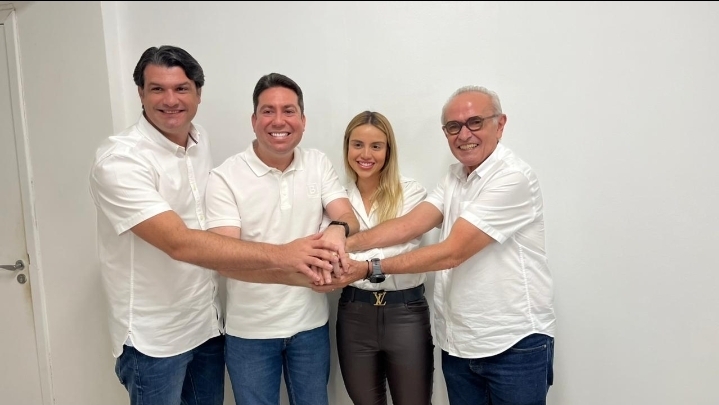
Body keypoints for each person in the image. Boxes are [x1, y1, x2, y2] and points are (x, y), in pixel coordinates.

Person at [88, 47, 340, 405]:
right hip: (153, 338)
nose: (171, 100)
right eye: (157, 89)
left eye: (182, 88)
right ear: (140, 93)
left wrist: (333, 233)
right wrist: (287, 255)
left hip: (205, 326)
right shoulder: (120, 161)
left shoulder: (198, 140)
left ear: (198, 94)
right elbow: (179, 243)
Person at [324, 86, 556, 405]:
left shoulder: (512, 178)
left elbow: (452, 252)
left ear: (500, 124)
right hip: (460, 343)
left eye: (475, 122)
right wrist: (344, 239)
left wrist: (368, 268)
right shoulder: (454, 178)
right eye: (453, 126)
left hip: (512, 344)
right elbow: (409, 225)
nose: (464, 134)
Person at [204, 72, 359, 405]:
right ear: (254, 120)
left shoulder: (317, 163)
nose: (279, 120)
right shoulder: (225, 177)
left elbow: (348, 217)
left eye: (289, 111)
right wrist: (292, 264)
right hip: (250, 333)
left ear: (303, 120)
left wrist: (337, 228)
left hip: (311, 326)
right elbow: (224, 260)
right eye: (268, 111)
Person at [334, 111, 434, 405]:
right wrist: (387, 240)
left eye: (376, 146)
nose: (366, 154)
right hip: (354, 314)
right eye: (358, 144)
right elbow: (332, 254)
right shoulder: (336, 199)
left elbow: (404, 249)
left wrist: (354, 253)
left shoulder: (411, 193)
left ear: (388, 150)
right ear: (347, 147)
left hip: (406, 313)